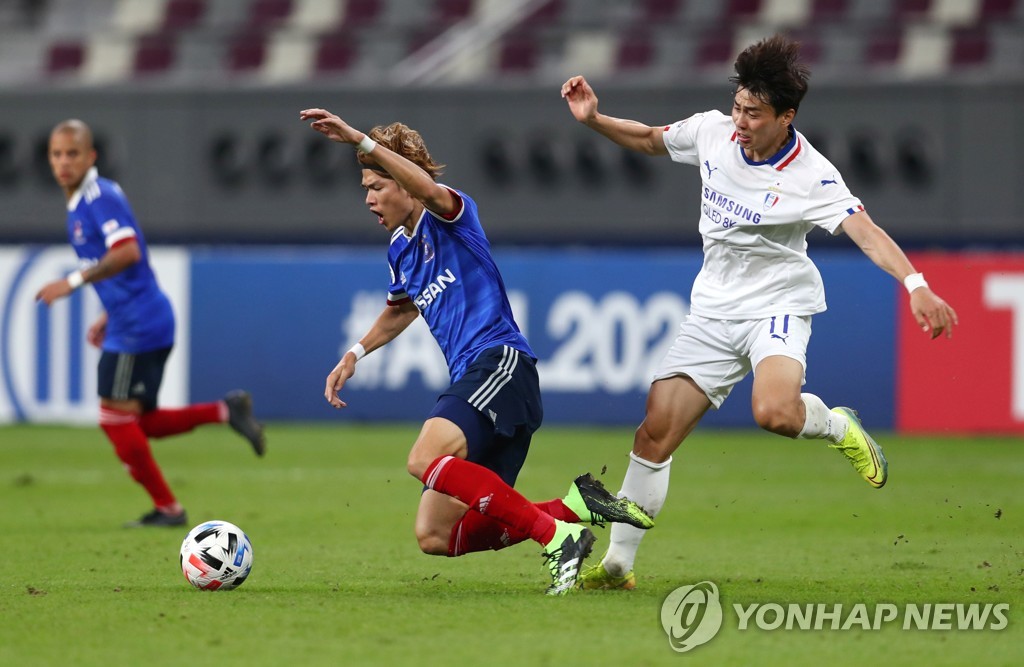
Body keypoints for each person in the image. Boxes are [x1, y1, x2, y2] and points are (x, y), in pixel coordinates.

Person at [560, 35, 958, 590]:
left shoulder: (811, 174)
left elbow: (866, 233)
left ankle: (837, 425)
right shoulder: (712, 131)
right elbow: (651, 139)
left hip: (778, 304)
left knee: (773, 413)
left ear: (786, 117)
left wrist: (916, 285)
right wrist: (595, 120)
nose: (740, 121)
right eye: (738, 107)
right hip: (713, 310)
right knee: (654, 432)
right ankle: (618, 567)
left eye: (754, 113)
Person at [299, 108, 654, 595]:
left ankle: (557, 539)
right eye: (365, 188)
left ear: (405, 183)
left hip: (500, 364)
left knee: (422, 458)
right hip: (481, 381)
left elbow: (428, 190)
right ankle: (575, 506)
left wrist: (361, 140)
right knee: (435, 535)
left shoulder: (451, 214)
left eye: (376, 186)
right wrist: (355, 353)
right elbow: (401, 310)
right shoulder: (400, 249)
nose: (368, 199)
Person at [36, 119, 267, 528]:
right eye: (57, 154)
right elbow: (128, 265)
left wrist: (71, 283)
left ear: (90, 156)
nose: (64, 162)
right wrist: (108, 313)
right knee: (141, 423)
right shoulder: (84, 202)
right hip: (137, 318)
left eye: (72, 153)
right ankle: (224, 411)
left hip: (138, 327)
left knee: (113, 419)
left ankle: (169, 509)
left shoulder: (98, 196)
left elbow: (127, 252)